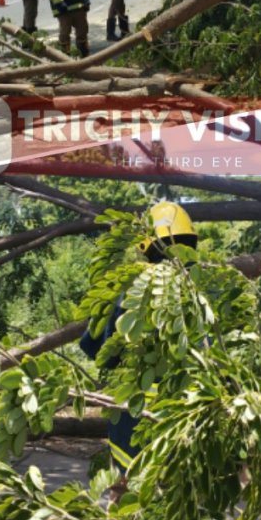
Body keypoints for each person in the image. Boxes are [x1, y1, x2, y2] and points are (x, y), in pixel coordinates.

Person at [79, 201, 197, 494]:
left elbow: (98, 351)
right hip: (180, 421)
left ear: (146, 247)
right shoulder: (196, 297)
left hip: (131, 420)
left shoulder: (129, 292)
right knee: (170, 503)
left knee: (126, 496)